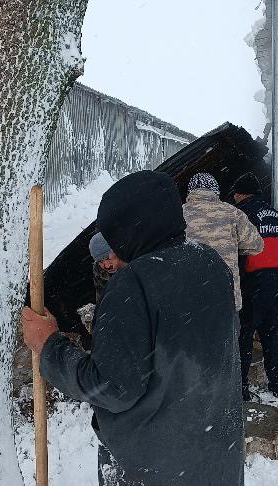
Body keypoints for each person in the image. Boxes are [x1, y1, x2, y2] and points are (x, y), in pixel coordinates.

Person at [21, 171, 244, 485]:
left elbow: (112, 387)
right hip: (215, 457)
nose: (111, 254)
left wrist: (48, 345)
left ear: (130, 231)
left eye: (115, 237)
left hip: (153, 467)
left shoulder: (134, 284)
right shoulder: (210, 263)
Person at [232, 173, 278, 400]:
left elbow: (236, 254)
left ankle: (241, 390)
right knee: (270, 334)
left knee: (245, 336)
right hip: (276, 284)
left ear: (240, 194)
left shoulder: (241, 215)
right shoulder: (276, 215)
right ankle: (277, 385)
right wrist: (275, 273)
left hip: (252, 284)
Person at [181, 173, 263, 314]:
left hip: (187, 299)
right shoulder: (233, 213)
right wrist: (232, 247)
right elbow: (256, 245)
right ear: (216, 191)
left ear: (190, 192)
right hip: (225, 298)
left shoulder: (178, 213)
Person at [76, 233, 120, 338]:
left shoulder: (134, 265)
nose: (106, 265)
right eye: (100, 261)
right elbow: (103, 297)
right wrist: (97, 318)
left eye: (108, 258)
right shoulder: (100, 270)